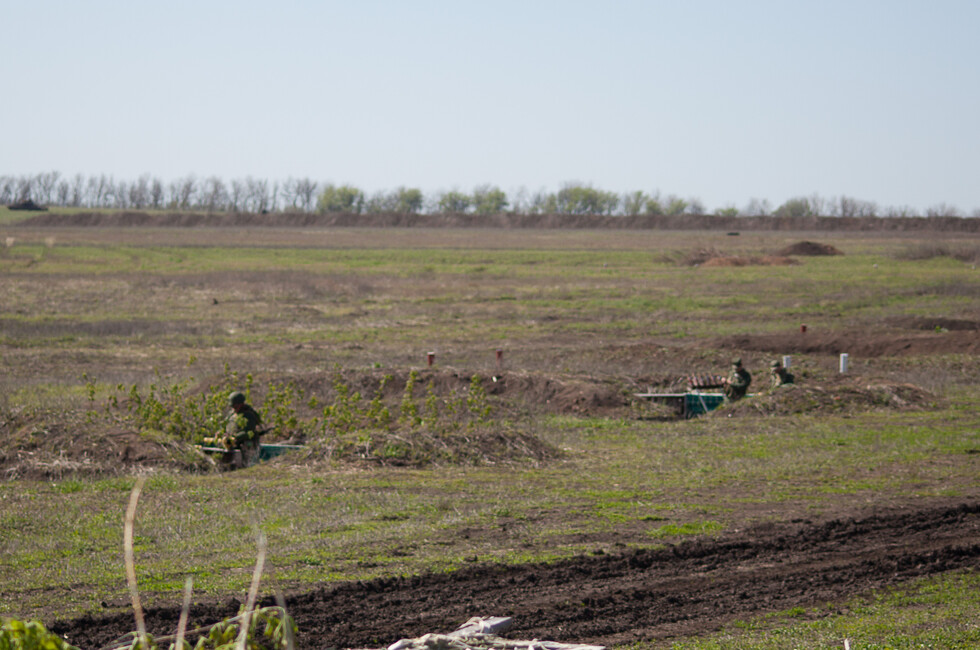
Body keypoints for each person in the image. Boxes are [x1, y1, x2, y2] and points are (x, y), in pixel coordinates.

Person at [219, 391, 263, 468]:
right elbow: (224, 425)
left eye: (236, 406)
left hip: (246, 444)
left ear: (241, 404)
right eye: (232, 407)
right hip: (232, 444)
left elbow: (249, 432)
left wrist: (235, 437)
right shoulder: (232, 414)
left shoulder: (249, 415)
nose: (234, 409)